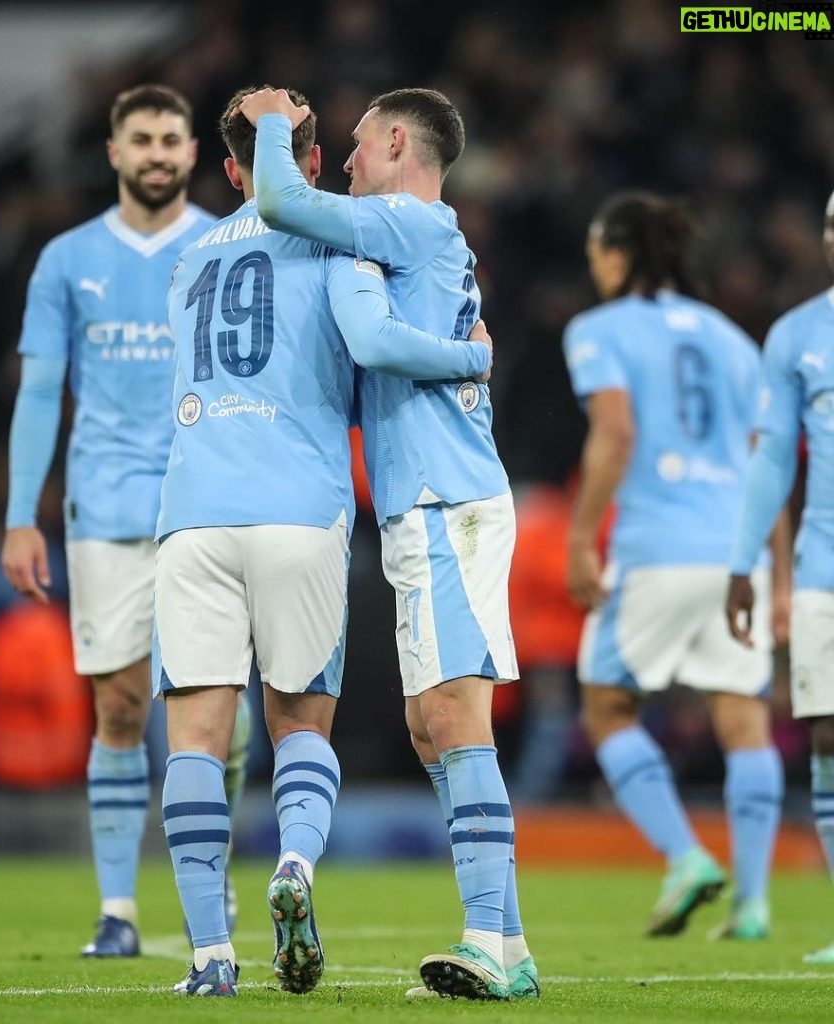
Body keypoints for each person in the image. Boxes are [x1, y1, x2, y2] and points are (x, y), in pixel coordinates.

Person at [159, 85, 494, 999]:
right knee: (300, 723)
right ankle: (296, 867)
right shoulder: (342, 238)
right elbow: (369, 358)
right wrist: (473, 355)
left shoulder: (187, 262)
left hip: (190, 512)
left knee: (194, 732)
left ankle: (207, 956)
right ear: (307, 165)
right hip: (299, 509)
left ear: (229, 171)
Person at [242, 86, 538, 1002]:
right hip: (423, 506)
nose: (351, 161)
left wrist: (267, 125)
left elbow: (283, 204)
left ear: (398, 140)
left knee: (453, 713)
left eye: (361, 145)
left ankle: (486, 938)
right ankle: (513, 946)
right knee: (426, 723)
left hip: (449, 501)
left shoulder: (411, 220)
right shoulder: (409, 236)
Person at [0, 84, 252, 958]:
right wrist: (18, 515)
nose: (155, 153)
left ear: (193, 154)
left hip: (207, 501)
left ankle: (205, 880)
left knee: (216, 712)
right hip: (104, 503)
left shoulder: (226, 245)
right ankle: (118, 909)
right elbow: (39, 390)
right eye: (139, 138)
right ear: (113, 152)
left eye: (170, 139)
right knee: (119, 704)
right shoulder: (67, 260)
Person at [563, 191, 790, 940]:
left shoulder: (598, 329)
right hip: (737, 552)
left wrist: (581, 537)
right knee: (744, 716)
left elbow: (616, 432)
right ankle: (753, 904)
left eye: (597, 253)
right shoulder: (734, 338)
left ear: (617, 254)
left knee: (607, 706)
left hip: (658, 548)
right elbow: (769, 461)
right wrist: (778, 576)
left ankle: (686, 857)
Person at [727, 188, 834, 963]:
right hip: (823, 563)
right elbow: (772, 458)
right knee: (828, 736)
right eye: (829, 224)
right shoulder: (798, 336)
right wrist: (745, 563)